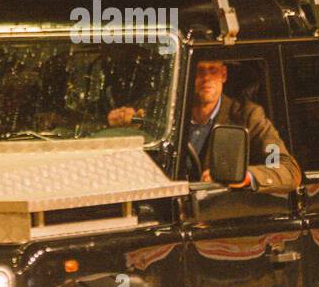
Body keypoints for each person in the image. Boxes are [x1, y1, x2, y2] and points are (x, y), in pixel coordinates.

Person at [109, 60, 301, 194]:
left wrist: (244, 176)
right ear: (186, 74)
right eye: (199, 70)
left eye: (213, 70)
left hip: (222, 215)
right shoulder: (164, 113)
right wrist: (122, 119)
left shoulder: (248, 117)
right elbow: (128, 124)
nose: (206, 78)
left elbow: (283, 167)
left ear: (223, 74)